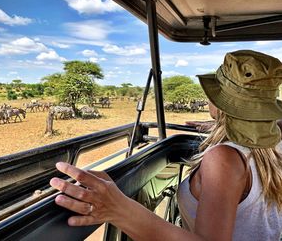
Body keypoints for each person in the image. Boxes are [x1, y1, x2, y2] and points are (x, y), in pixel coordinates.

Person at [50, 50, 282, 241]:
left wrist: (118, 209)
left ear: (220, 104)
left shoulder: (223, 158)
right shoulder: (273, 144)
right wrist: (222, 125)